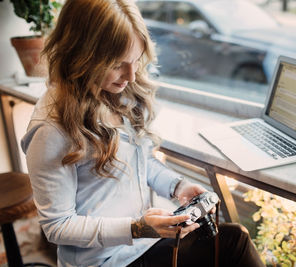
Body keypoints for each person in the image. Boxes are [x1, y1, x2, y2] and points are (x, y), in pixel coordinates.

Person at [21, 0, 265, 266]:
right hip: (106, 260)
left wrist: (178, 187)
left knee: (232, 239)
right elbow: (58, 226)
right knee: (234, 244)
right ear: (81, 56)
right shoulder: (51, 128)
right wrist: (137, 228)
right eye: (117, 64)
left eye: (136, 60)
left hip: (143, 244)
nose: (131, 75)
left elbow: (141, 163)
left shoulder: (116, 93)